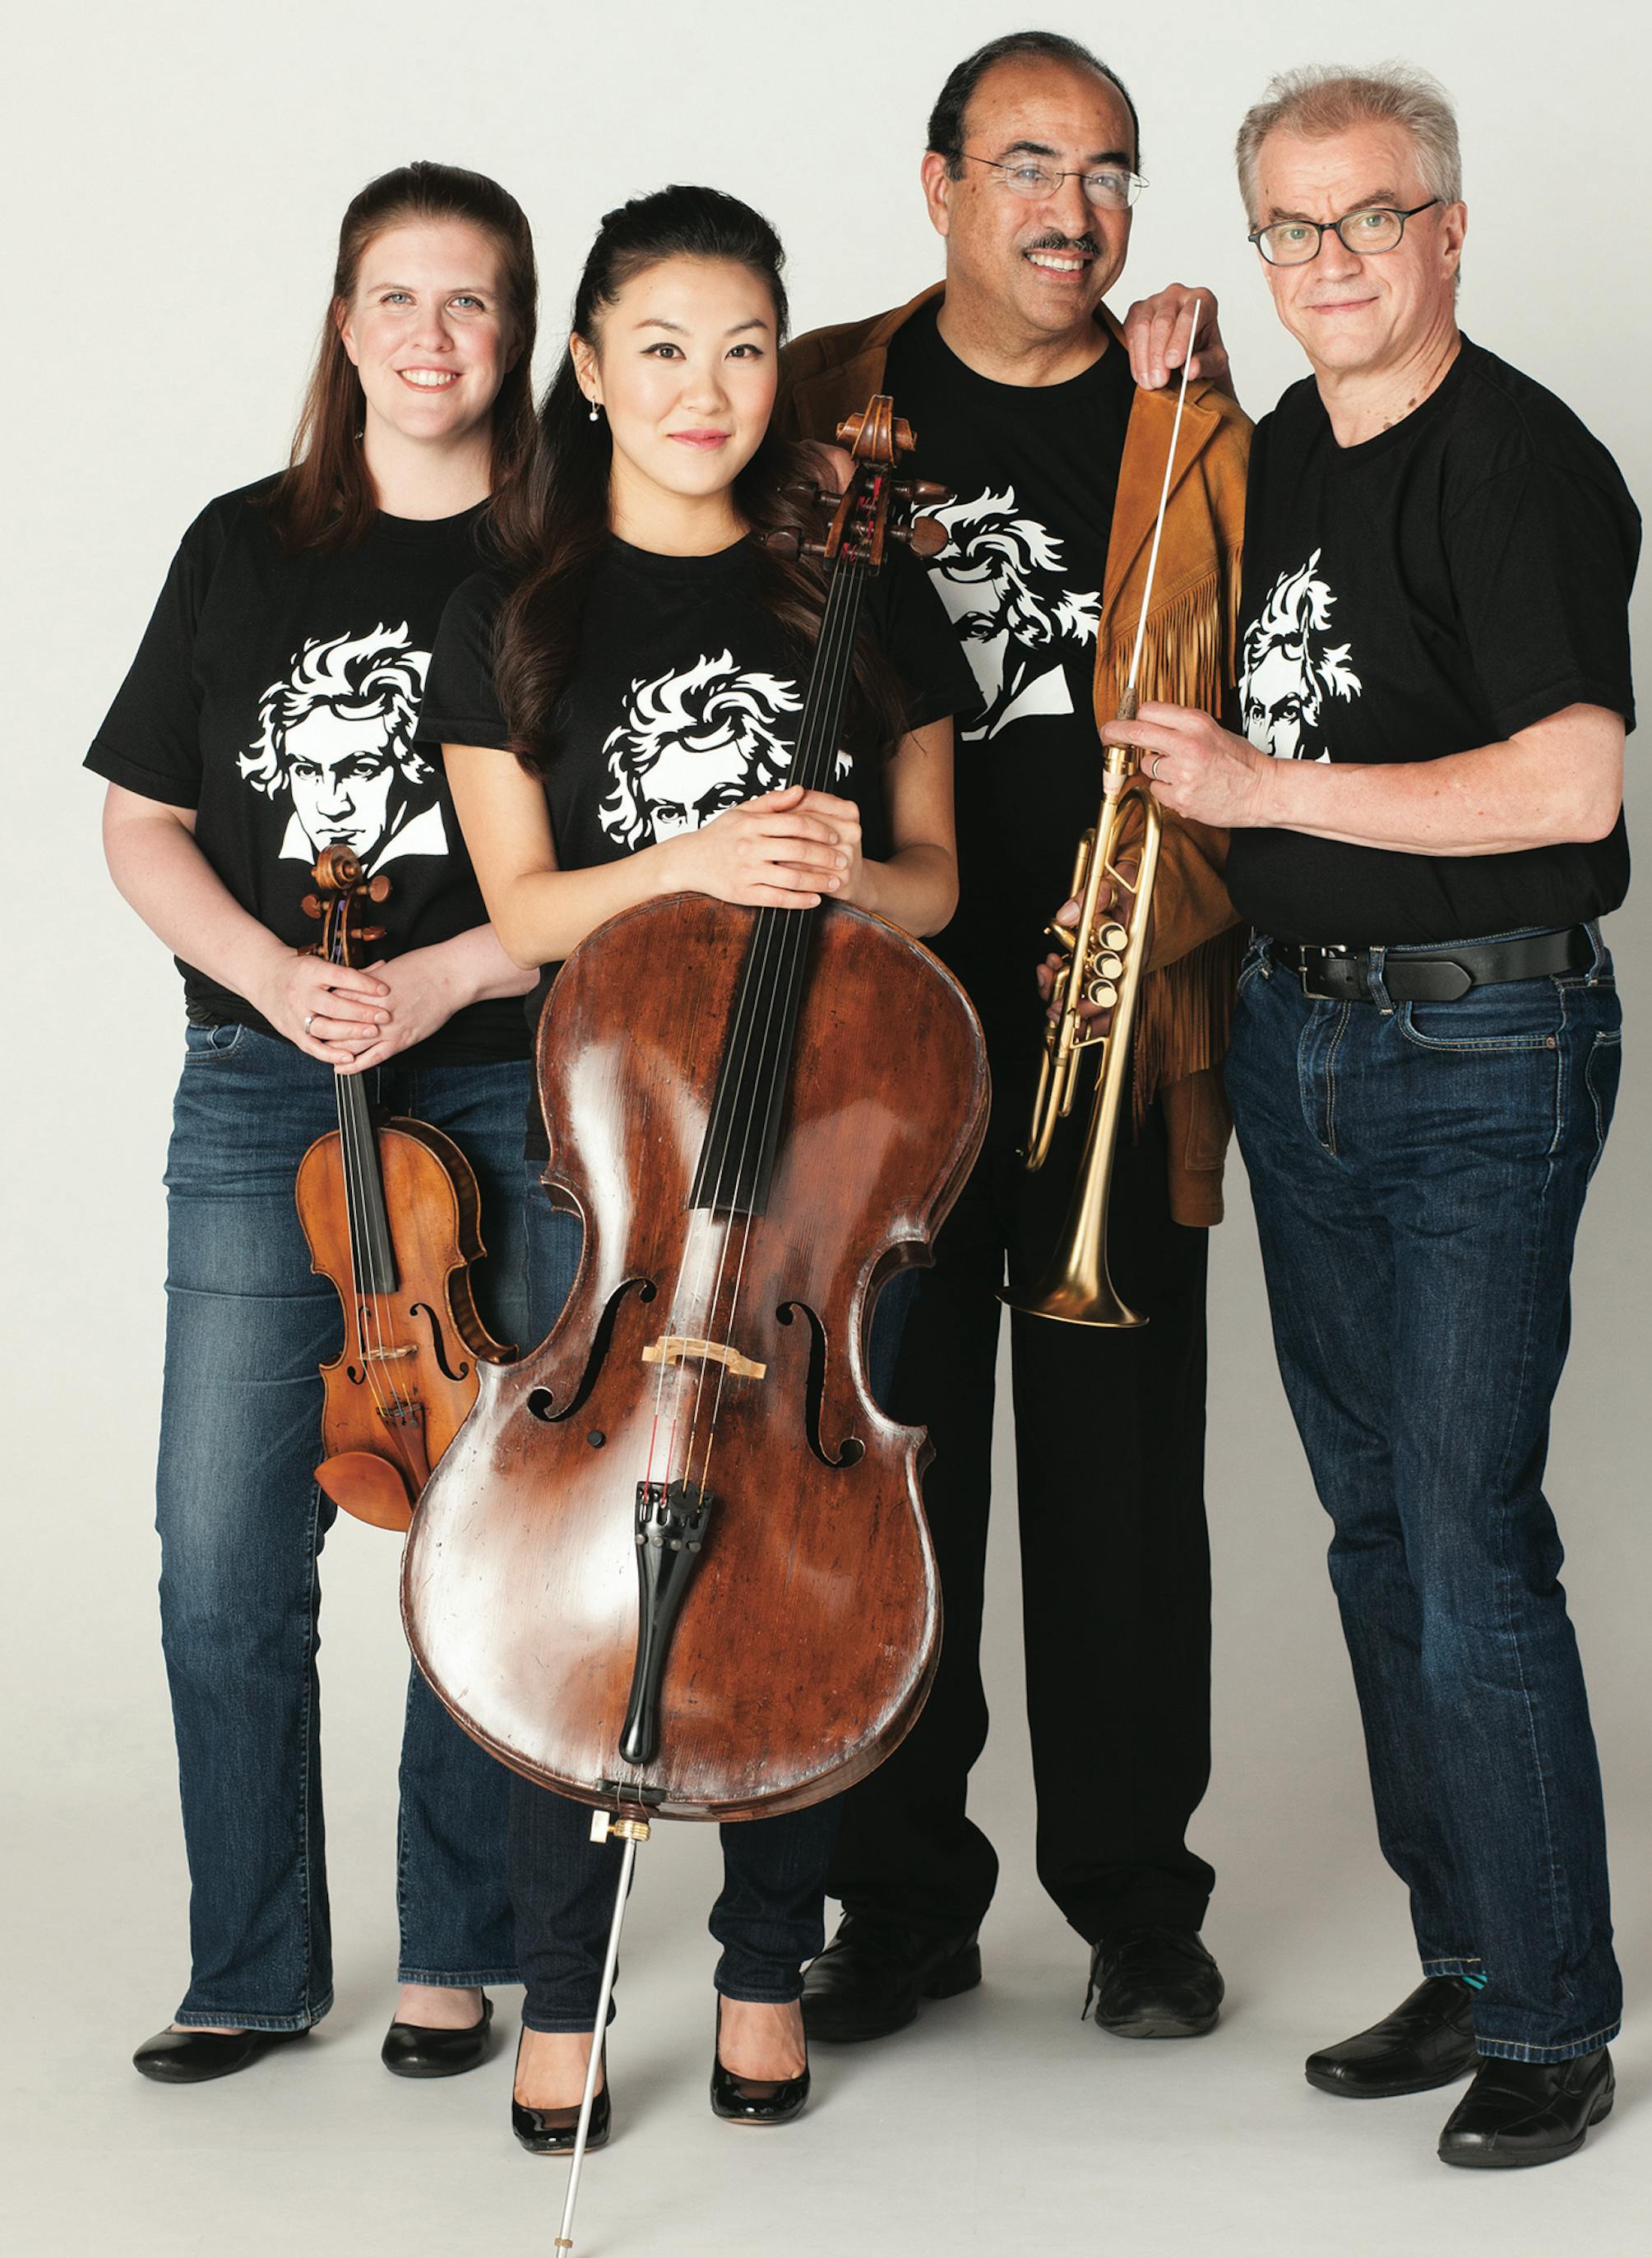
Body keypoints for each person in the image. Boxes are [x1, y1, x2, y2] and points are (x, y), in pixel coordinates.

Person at [423, 183, 977, 2150]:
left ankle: (761, 1962)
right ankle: (560, 1982)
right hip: (623, 1152)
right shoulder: (514, 614)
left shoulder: (857, 595)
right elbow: (524, 906)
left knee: (789, 1568)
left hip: (816, 1156)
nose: (706, 387)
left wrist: (852, 870)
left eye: (745, 348)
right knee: (564, 1570)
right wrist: (696, 855)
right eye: (661, 347)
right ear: (587, 365)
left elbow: (937, 881)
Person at [1120, 65, 1636, 2168]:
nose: (1331, 258)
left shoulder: (1519, 460)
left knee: (1467, 1531)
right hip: (1303, 1041)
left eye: (1372, 217)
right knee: (1373, 1529)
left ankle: (1556, 2017)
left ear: (1450, 230)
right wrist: (1176, 382)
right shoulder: (1283, 454)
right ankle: (1475, 1951)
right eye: (1291, 226)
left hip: (1482, 1046)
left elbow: (1572, 783)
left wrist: (1264, 789)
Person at [779, 29, 1251, 2044]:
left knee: (1122, 1479)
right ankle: (902, 1901)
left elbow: (1257, 719)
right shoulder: (815, 395)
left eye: (1113, 170)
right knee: (892, 1464)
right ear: (941, 183)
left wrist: (1165, 927)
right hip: (872, 1042)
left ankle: (1137, 1900)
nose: (1077, 210)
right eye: (1034, 165)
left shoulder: (1188, 417)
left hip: (1112, 1028)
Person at [87, 162, 541, 2086]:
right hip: (263, 1080)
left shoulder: (567, 558)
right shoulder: (241, 544)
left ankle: (458, 1949)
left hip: (499, 1070)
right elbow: (143, 823)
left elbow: (624, 858)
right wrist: (279, 976)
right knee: (221, 1544)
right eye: (398, 298)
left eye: (473, 299)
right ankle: (252, 1964)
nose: (433, 336)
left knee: (480, 1522)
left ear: (518, 332)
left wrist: (445, 977)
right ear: (345, 323)